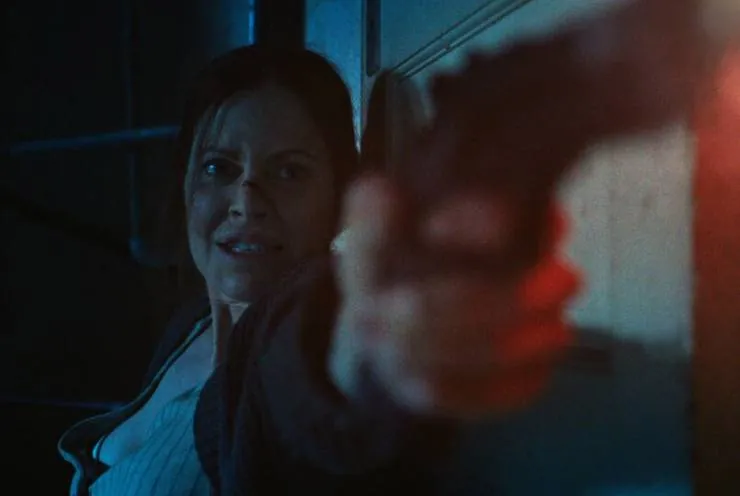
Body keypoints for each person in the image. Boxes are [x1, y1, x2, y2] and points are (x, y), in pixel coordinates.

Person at [58, 45, 580, 495]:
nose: (246, 200)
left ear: (340, 196)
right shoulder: (188, 326)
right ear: (186, 183)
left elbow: (315, 371)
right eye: (219, 167)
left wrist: (369, 351)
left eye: (289, 171)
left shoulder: (304, 326)